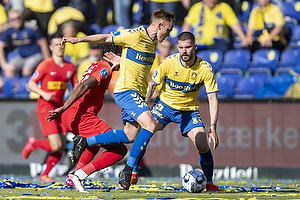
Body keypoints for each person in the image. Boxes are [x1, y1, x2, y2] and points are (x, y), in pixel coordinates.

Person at [69, 32, 222, 192]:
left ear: (195, 47)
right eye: (181, 47)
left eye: (188, 47)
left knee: (203, 145)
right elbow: (152, 85)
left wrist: (212, 127)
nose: (184, 51)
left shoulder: (205, 68)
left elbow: (213, 98)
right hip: (164, 107)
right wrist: (144, 107)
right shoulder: (169, 63)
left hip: (188, 111)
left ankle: (209, 183)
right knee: (140, 133)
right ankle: (133, 171)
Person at [60, 8, 175, 190]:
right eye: (168, 30)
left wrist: (123, 61)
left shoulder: (153, 44)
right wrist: (78, 40)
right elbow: (105, 38)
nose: (169, 34)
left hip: (137, 94)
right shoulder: (135, 34)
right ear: (160, 25)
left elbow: (136, 64)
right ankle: (128, 171)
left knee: (130, 136)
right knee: (150, 125)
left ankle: (79, 171)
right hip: (125, 91)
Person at [46, 44, 127, 193]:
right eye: (122, 55)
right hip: (80, 116)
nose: (123, 60)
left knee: (95, 142)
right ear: (112, 55)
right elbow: (83, 86)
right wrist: (63, 107)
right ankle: (79, 175)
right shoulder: (105, 69)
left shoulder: (95, 65)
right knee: (119, 149)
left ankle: (74, 176)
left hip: (73, 115)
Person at [22, 32, 78, 182]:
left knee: (61, 146)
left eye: (62, 44)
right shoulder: (46, 65)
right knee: (56, 145)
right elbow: (31, 84)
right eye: (56, 45)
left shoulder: (70, 67)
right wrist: (43, 93)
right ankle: (33, 142)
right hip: (46, 106)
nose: (60, 48)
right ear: (50, 47)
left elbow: (77, 86)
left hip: (61, 109)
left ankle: (45, 174)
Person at [181, 0, 250, 53]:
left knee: (224, 46)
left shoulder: (224, 7)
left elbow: (234, 24)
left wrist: (243, 37)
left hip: (219, 44)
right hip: (200, 44)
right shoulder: (197, 8)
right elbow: (187, 25)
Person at [0, 9, 50, 78]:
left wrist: (47, 62)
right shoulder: (8, 29)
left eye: (18, 18)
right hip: (21, 56)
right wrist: (3, 65)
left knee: (26, 70)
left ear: (22, 18)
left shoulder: (31, 28)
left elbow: (43, 43)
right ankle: (14, 87)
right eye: (13, 19)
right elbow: (1, 45)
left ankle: (28, 87)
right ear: (10, 21)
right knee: (8, 70)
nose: (16, 21)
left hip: (35, 54)